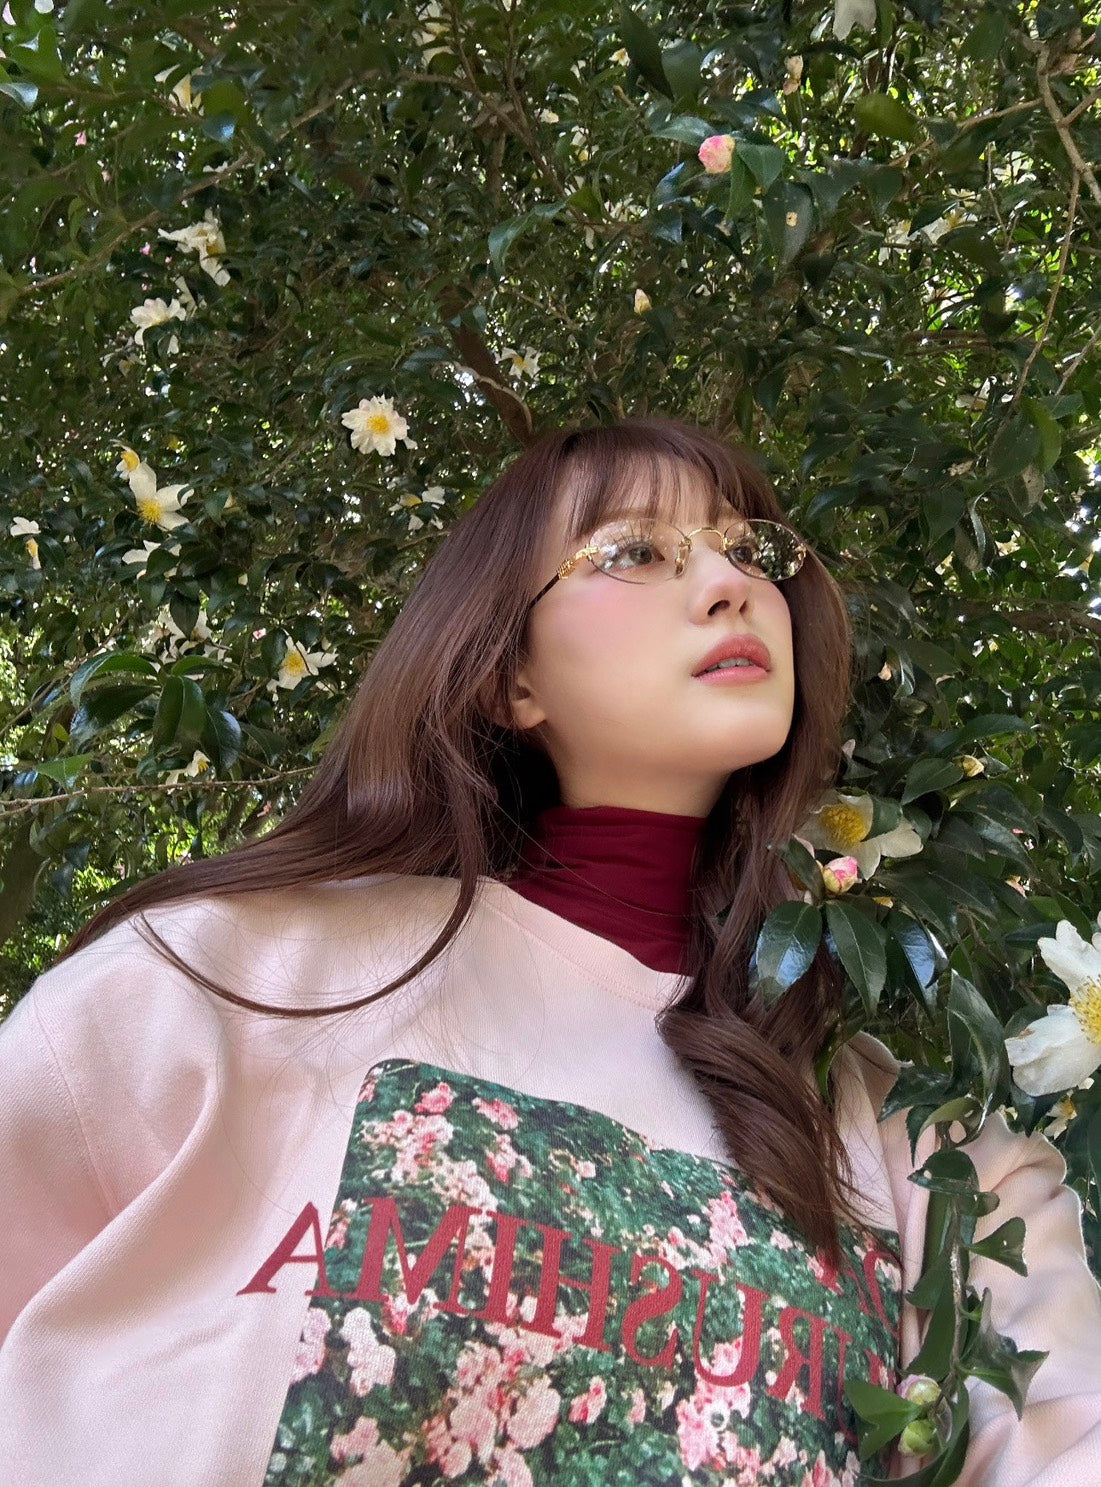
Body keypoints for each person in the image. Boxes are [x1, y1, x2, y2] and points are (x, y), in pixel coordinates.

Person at [1, 415, 1098, 1487]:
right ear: (510, 679)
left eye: (748, 548)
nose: (730, 582)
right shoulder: (227, 978)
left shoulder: (935, 1157)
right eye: (634, 551)